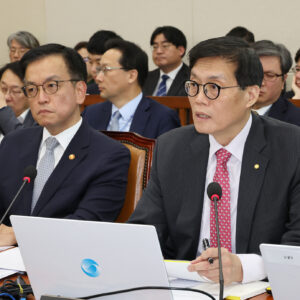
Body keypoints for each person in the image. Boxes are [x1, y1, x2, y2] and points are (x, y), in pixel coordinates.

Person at [129, 36, 300, 284]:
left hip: (262, 287)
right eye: (194, 85)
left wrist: (245, 267)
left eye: (213, 88)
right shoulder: (171, 147)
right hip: (186, 287)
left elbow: (296, 244)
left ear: (251, 95)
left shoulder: (291, 147)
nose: (199, 98)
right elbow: (145, 233)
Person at [0, 44, 130, 246]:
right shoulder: (14, 143)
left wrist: (18, 235)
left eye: (52, 86)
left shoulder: (109, 156)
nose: (41, 99)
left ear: (80, 91)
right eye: (32, 89)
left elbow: (86, 226)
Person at [82, 39, 180, 139]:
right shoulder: (91, 114)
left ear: (131, 76)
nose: (98, 78)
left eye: (106, 69)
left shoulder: (162, 118)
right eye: (99, 70)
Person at [252, 40, 300, 126]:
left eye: (269, 75)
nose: (260, 82)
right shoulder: (226, 111)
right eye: (255, 73)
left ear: (283, 80)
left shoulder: (295, 121)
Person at [143, 26, 189, 97]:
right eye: (155, 47)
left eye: (165, 46)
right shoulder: (144, 78)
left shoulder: (192, 78)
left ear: (181, 50)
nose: (158, 51)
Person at [0, 62, 37, 142]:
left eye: (15, 91)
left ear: (31, 92)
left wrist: (3, 111)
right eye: (3, 89)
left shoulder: (38, 118)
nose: (6, 97)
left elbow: (25, 142)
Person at [86, 30, 122, 94]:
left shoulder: (139, 92)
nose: (93, 69)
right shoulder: (88, 93)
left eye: (99, 63)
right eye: (90, 62)